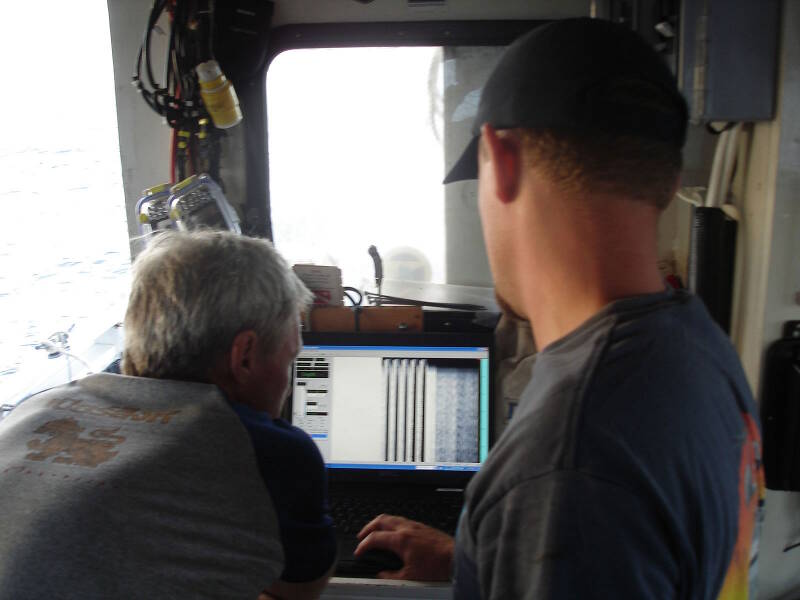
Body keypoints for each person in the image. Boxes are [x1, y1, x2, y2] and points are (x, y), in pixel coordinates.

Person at [356, 17, 765, 599]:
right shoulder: (700, 347)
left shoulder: (566, 459)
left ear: (500, 158)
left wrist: (533, 525)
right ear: (669, 179)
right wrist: (484, 554)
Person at [0, 230, 336, 599]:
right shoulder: (267, 451)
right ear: (244, 356)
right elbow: (294, 593)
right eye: (290, 357)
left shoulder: (36, 408)